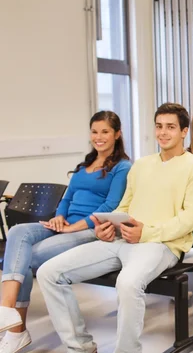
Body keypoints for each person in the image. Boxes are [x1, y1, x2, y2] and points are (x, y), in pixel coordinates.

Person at [36, 103, 193, 353]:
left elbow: (190, 219)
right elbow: (125, 205)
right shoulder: (142, 165)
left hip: (161, 245)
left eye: (170, 127)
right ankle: (81, 347)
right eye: (159, 126)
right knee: (48, 272)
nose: (163, 132)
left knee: (128, 284)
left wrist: (146, 232)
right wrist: (106, 226)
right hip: (122, 239)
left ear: (184, 132)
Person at [0, 111, 131, 353]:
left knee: (28, 257)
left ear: (117, 134)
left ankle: (16, 332)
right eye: (94, 131)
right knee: (18, 233)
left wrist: (73, 227)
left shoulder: (122, 167)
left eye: (105, 132)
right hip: (64, 225)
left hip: (90, 231)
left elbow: (109, 207)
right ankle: (6, 310)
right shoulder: (85, 165)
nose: (98, 137)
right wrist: (59, 217)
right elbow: (67, 197)